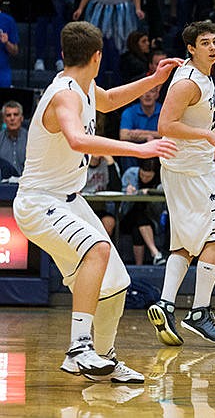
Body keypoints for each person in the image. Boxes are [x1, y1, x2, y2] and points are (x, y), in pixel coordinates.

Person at [12, 20, 179, 382]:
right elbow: (76, 138)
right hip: (41, 202)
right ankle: (78, 348)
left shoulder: (84, 87)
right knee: (97, 251)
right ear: (98, 56)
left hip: (68, 201)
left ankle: (103, 358)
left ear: (63, 54)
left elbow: (111, 99)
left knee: (116, 281)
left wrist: (154, 79)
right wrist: (139, 148)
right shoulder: (65, 95)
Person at [147, 20, 215, 346]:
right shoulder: (186, 82)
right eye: (205, 43)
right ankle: (199, 312)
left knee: (185, 242)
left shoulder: (202, 76)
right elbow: (165, 124)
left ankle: (166, 304)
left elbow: (190, 116)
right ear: (190, 48)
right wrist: (206, 133)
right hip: (191, 170)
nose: (212, 47)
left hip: (186, 167)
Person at [72, 0, 145, 86]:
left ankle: (119, 84)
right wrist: (81, 8)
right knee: (97, 45)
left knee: (119, 48)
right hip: (99, 8)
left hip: (121, 10)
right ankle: (95, 84)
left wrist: (138, 7)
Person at [120, 157, 166, 266]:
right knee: (138, 212)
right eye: (142, 175)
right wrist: (127, 193)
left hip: (152, 218)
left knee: (138, 228)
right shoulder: (130, 174)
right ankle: (155, 253)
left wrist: (149, 191)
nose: (144, 178)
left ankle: (139, 266)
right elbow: (122, 204)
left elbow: (165, 192)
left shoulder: (162, 179)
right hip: (127, 215)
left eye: (148, 176)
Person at [0, 100, 28, 176]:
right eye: (8, 115)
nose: (12, 118)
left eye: (15, 114)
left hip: (26, 184)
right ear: (4, 120)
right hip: (3, 185)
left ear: (21, 118)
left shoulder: (30, 139)